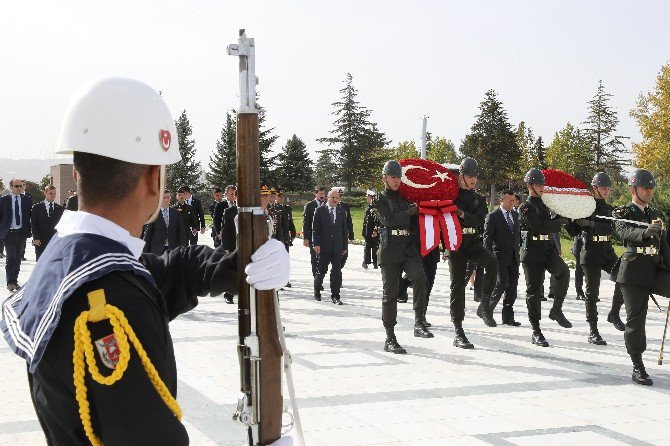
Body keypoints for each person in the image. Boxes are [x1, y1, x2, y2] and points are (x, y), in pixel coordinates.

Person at [0, 77, 289, 445]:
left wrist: (240, 264)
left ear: (77, 174)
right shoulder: (108, 298)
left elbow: (167, 270)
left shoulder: (72, 255)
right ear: (154, 178)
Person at [612, 168, 670, 385]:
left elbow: (663, 245)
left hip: (655, 268)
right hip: (634, 271)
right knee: (636, 321)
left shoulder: (654, 214)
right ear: (633, 189)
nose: (649, 191)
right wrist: (644, 233)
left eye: (651, 188)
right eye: (645, 188)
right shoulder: (623, 212)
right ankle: (638, 365)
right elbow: (624, 232)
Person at [375, 160, 433, 355]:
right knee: (390, 294)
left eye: (399, 177)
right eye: (393, 177)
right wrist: (410, 211)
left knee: (420, 277)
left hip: (407, 247)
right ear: (384, 178)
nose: (397, 180)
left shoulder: (404, 198)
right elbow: (389, 220)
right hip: (389, 249)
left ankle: (419, 321)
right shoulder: (379, 199)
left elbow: (414, 219)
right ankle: (390, 337)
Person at [566, 172, 625, 346]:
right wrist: (568, 218)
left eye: (608, 188)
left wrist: (592, 224)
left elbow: (610, 229)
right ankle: (593, 331)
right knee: (592, 294)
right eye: (603, 187)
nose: (606, 190)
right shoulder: (585, 207)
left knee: (623, 276)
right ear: (595, 188)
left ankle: (614, 313)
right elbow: (572, 232)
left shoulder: (609, 209)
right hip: (590, 251)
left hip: (606, 250)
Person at [447, 157, 498, 349]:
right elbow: (449, 218)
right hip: (456, 245)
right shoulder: (452, 196)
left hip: (473, 242)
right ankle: (458, 330)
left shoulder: (478, 198)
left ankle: (484, 305)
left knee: (492, 263)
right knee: (457, 287)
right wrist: (462, 216)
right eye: (470, 176)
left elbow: (479, 220)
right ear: (461, 176)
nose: (474, 180)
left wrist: (462, 215)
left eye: (475, 176)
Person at [518, 168, 571, 348]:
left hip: (547, 249)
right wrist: (558, 223)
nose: (542, 187)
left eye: (543, 184)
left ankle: (556, 309)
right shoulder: (525, 207)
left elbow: (549, 224)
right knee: (534, 292)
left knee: (563, 272)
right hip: (532, 251)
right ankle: (536, 330)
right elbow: (539, 226)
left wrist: (563, 217)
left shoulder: (545, 205)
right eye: (538, 184)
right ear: (530, 186)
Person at [484, 190, 522, 326]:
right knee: (502, 283)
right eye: (509, 200)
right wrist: (487, 258)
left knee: (512, 288)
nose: (512, 203)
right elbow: (487, 239)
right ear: (501, 201)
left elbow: (517, 236)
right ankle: (486, 311)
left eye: (513, 200)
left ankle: (508, 317)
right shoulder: (493, 216)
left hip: (514, 257)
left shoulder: (516, 215)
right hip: (498, 257)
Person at [312, 189, 348, 304]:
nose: (335, 200)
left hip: (337, 247)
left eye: (337, 198)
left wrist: (344, 246)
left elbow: (344, 230)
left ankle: (335, 296)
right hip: (323, 247)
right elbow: (315, 229)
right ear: (328, 197)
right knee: (321, 271)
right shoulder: (320, 210)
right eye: (333, 198)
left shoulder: (341, 211)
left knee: (336, 271)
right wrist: (316, 244)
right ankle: (317, 291)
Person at [0, 178, 32, 291]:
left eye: (20, 186)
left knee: (18, 258)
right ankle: (10, 282)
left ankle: (15, 281)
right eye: (16, 186)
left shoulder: (27, 200)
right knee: (11, 257)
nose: (19, 188)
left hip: (21, 233)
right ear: (11, 187)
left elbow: (29, 216)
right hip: (9, 233)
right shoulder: (3, 200)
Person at [143, 190, 185, 255]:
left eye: (168, 197)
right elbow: (148, 234)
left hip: (173, 249)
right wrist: (145, 254)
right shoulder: (154, 214)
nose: (166, 200)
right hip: (157, 250)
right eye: (164, 198)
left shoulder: (176, 213)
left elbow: (181, 233)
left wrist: (183, 250)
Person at [31, 185, 64, 261]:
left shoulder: (60, 209)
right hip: (40, 241)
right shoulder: (36, 207)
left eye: (54, 193)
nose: (53, 195)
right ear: (45, 193)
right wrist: (36, 238)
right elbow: (34, 224)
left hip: (55, 241)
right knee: (41, 263)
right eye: (51, 193)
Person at [303, 186, 326, 279]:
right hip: (313, 237)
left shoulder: (327, 205)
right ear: (315, 194)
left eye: (323, 194)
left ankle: (321, 276)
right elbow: (306, 223)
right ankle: (316, 278)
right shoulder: (309, 206)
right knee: (315, 258)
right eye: (320, 194)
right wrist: (306, 238)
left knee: (323, 259)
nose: (322, 196)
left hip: (325, 237)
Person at [336, 188, 355, 267]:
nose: (339, 197)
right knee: (335, 256)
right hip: (333, 235)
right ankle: (336, 271)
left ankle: (338, 269)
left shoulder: (345, 206)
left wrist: (351, 235)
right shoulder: (328, 206)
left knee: (344, 256)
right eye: (338, 195)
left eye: (340, 195)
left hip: (343, 235)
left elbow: (349, 221)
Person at [213, 185, 237, 249]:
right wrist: (219, 233)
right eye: (232, 194)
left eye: (235, 194)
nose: (234, 196)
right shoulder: (220, 205)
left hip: (234, 236)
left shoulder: (238, 206)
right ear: (226, 194)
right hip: (223, 235)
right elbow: (216, 220)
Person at [362, 190, 379, 269]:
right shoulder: (367, 207)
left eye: (368, 197)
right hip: (367, 231)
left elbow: (377, 220)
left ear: (371, 197)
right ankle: (366, 261)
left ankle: (375, 262)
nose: (366, 198)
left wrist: (375, 230)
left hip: (373, 231)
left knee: (375, 247)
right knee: (367, 247)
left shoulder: (376, 207)